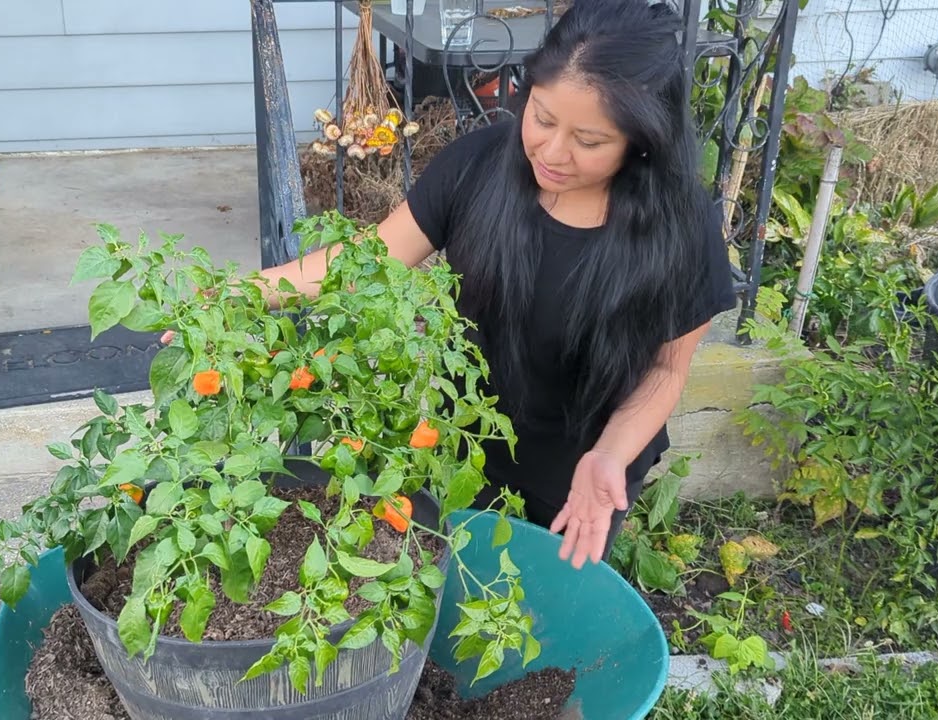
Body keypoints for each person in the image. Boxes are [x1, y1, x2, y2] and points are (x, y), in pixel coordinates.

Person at [171, 0, 735, 571]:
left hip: (587, 464)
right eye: (542, 117)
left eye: (589, 141)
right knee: (450, 580)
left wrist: (610, 455)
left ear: (642, 140)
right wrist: (235, 294)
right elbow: (366, 261)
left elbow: (666, 369)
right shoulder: (480, 165)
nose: (553, 152)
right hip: (464, 439)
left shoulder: (680, 227)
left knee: (539, 599)